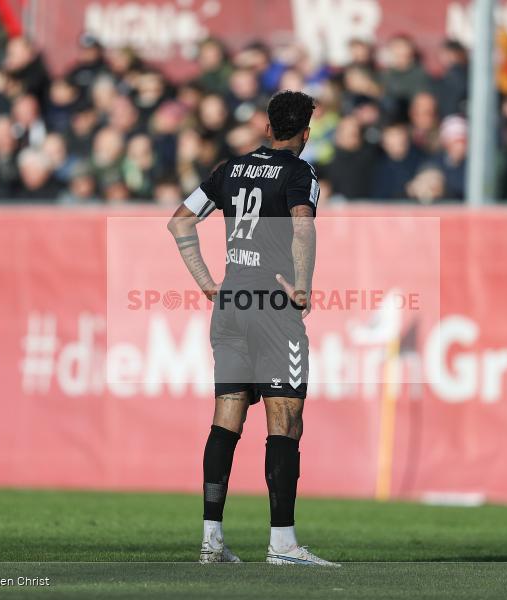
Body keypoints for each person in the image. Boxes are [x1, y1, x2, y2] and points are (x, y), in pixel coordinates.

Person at [166, 90, 337, 566]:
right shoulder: (299, 171)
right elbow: (303, 227)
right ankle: (283, 546)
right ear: (304, 133)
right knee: (285, 421)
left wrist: (208, 285)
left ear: (267, 128)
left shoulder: (229, 169)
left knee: (226, 420)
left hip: (230, 305)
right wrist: (302, 287)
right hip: (272, 306)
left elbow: (180, 223)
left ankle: (211, 542)